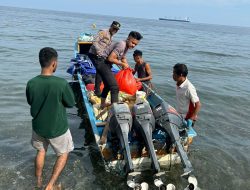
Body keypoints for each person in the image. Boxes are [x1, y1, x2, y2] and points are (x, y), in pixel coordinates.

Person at [26, 47, 75, 190]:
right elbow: (70, 103)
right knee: (63, 154)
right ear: (54, 63)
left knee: (41, 151)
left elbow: (31, 101)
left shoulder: (31, 83)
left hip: (38, 127)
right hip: (57, 128)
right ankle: (50, 185)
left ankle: (39, 182)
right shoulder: (61, 83)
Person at [99, 31, 143, 109]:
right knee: (114, 87)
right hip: (103, 63)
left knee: (107, 86)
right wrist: (123, 64)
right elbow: (110, 58)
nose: (133, 45)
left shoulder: (126, 46)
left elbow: (122, 57)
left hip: (106, 64)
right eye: (133, 42)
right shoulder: (122, 45)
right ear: (128, 38)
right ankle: (116, 110)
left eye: (136, 44)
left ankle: (102, 104)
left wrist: (127, 67)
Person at [88, 21, 121, 97]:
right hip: (93, 54)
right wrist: (99, 52)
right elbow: (94, 41)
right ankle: (97, 90)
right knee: (100, 70)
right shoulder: (103, 32)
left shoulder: (111, 36)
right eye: (114, 28)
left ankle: (100, 88)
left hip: (101, 56)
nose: (115, 30)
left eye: (116, 30)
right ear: (111, 26)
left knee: (102, 69)